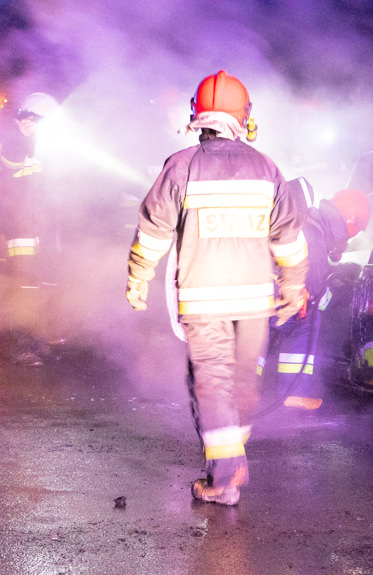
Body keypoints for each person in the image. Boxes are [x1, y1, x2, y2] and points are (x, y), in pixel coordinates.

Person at [125, 71, 310, 506]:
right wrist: (293, 286)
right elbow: (289, 239)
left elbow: (153, 229)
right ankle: (232, 456)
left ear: (198, 116)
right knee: (244, 381)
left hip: (203, 301)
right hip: (254, 303)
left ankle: (226, 475)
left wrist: (138, 276)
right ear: (244, 117)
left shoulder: (182, 165)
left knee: (210, 382)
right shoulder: (267, 168)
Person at [260, 188, 370, 412]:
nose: (353, 236)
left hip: (255, 291)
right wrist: (338, 293)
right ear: (350, 220)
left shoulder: (308, 221)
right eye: (356, 230)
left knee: (258, 334)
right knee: (308, 318)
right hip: (271, 296)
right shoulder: (315, 237)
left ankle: (241, 388)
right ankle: (295, 393)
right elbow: (317, 295)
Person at [0, 92, 60, 366]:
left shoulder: (45, 143)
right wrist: (26, 138)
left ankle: (38, 338)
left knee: (42, 283)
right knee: (22, 285)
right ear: (27, 119)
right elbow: (10, 164)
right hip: (19, 225)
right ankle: (19, 345)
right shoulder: (12, 138)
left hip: (42, 224)